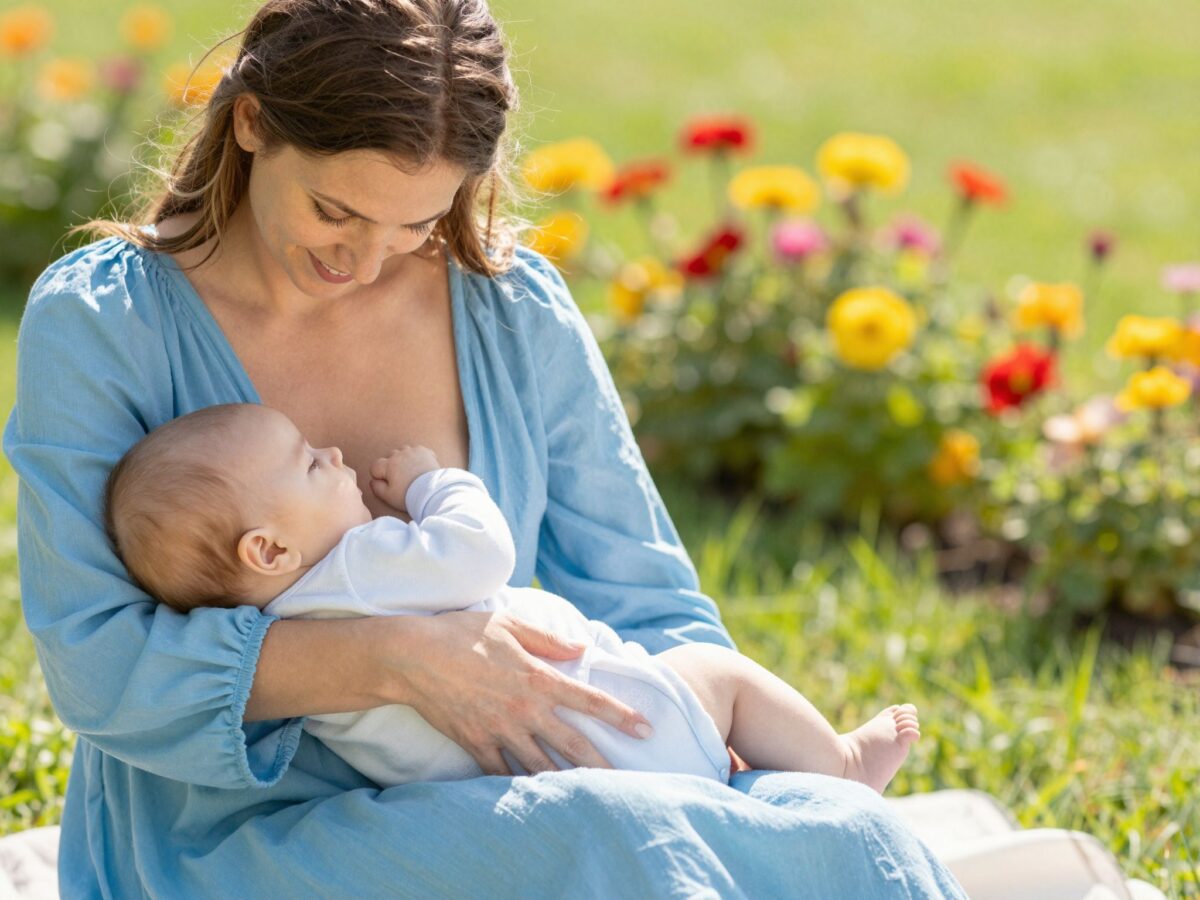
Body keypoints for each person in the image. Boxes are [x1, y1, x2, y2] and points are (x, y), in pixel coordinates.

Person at [3, 0, 967, 895]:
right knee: (612, 835)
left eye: (415, 220)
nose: (364, 260)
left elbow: (645, 596)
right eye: (334, 210)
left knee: (852, 829)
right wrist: (397, 657)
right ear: (251, 123)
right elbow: (102, 668)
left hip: (538, 775)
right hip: (238, 830)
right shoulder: (103, 320)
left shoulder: (509, 306)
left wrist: (695, 754)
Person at [104, 402, 923, 791]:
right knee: (719, 675)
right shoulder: (356, 568)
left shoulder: (283, 627)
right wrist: (433, 484)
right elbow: (480, 552)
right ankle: (844, 764)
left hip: (537, 779)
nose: (330, 449)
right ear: (270, 548)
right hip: (614, 718)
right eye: (310, 464)